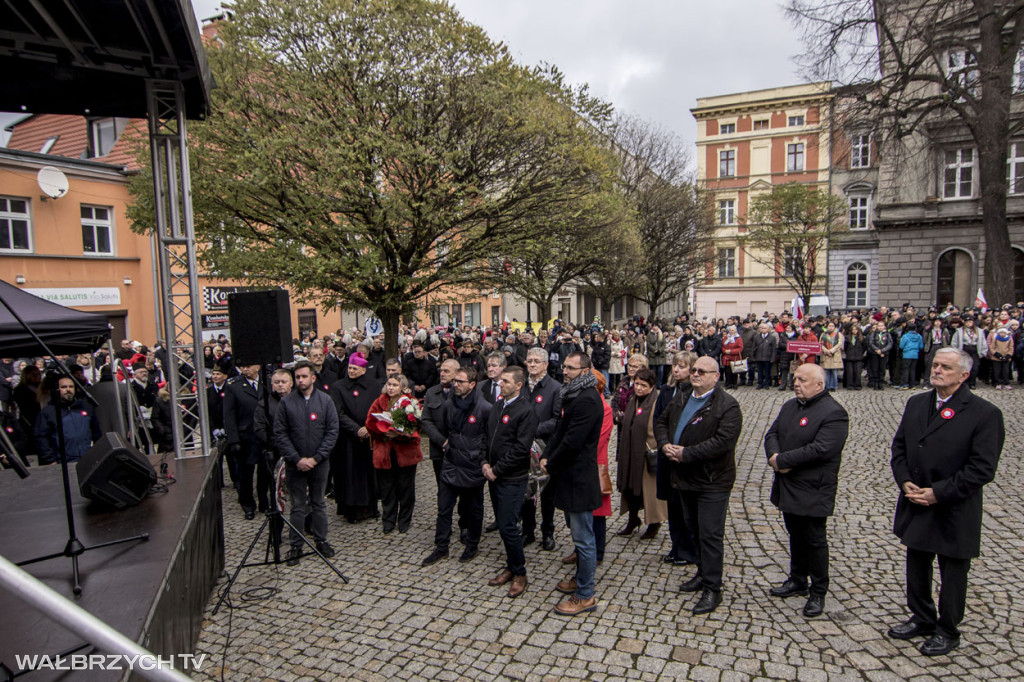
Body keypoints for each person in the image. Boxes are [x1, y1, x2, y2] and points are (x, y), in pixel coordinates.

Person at [888, 348, 1003, 656]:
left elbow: (982, 468)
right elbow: (899, 447)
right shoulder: (916, 403)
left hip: (954, 505)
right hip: (916, 498)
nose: (936, 370)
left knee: (952, 570)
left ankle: (948, 629)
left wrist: (938, 492)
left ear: (963, 375)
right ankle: (922, 617)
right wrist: (904, 480)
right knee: (917, 562)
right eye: (935, 364)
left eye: (946, 367)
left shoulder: (984, 413)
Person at [654, 356, 742, 615]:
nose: (695, 374)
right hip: (684, 477)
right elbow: (661, 422)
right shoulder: (682, 396)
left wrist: (687, 453)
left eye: (702, 371)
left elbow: (723, 442)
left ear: (716, 376)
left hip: (712, 480)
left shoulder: (727, 405)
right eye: (693, 370)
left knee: (710, 534)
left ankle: (713, 588)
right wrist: (664, 444)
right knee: (692, 529)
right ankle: (702, 573)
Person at [763, 363, 849, 618]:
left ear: (819, 385)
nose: (796, 383)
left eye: (802, 380)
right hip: (788, 483)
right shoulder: (790, 406)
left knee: (814, 539)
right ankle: (797, 578)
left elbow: (822, 448)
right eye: (795, 378)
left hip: (814, 487)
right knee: (795, 533)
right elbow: (772, 434)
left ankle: (818, 590)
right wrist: (774, 457)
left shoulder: (834, 412)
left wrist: (784, 460)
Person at [540, 352, 603, 616]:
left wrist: (551, 462)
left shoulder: (587, 399)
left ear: (585, 371)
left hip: (579, 478)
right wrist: (546, 455)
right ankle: (580, 579)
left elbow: (573, 440)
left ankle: (586, 595)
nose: (564, 371)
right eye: (564, 366)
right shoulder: (572, 394)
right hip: (568, 475)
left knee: (583, 538)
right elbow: (560, 430)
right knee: (578, 537)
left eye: (570, 368)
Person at [422, 367, 491, 566]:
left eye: (460, 382)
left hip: (472, 466)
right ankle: (441, 546)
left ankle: (472, 545)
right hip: (451, 463)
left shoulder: (484, 408)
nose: (456, 385)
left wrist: (480, 459)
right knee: (444, 508)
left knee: (474, 509)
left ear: (472, 384)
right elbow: (446, 429)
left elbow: (488, 438)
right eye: (455, 381)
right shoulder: (448, 405)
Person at [273, 360, 339, 566]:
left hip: (320, 463)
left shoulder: (325, 401)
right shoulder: (286, 403)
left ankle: (321, 540)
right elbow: (280, 433)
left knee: (318, 502)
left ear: (313, 378)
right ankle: (296, 545)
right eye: (298, 377)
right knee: (297, 505)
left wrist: (316, 458)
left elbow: (332, 431)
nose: (301, 380)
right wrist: (296, 459)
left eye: (304, 376)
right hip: (295, 464)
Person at [484, 366, 539, 598]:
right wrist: (484, 463)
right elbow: (488, 437)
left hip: (513, 478)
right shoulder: (498, 405)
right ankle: (510, 565)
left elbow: (520, 448)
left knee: (508, 525)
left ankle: (520, 573)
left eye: (506, 381)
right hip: (494, 476)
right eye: (501, 380)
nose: (501, 384)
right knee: (503, 523)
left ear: (518, 385)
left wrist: (497, 469)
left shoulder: (526, 411)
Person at [366, 375, 423, 534]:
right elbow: (369, 423)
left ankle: (404, 520)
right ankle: (388, 520)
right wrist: (384, 432)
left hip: (406, 453)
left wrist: (400, 433)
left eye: (394, 385)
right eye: (389, 384)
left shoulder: (410, 403)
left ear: (402, 387)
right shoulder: (379, 402)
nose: (390, 388)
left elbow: (418, 425)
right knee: (387, 489)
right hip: (385, 452)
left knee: (406, 489)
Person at [615, 368, 668, 539]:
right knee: (630, 488)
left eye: (643, 385)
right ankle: (633, 520)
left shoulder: (656, 402)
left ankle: (654, 523)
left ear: (652, 387)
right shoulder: (634, 400)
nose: (638, 388)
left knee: (648, 491)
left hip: (646, 455)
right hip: (630, 453)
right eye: (637, 384)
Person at [519, 347, 562, 550]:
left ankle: (548, 532)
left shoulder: (555, 388)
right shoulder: (521, 386)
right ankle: (528, 530)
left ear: (545, 364)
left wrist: (534, 430)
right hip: (523, 447)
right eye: (530, 361)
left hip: (545, 446)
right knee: (526, 490)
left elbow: (557, 419)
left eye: (537, 361)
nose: (532, 364)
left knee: (547, 493)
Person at [329, 352, 379, 522]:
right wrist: (356, 429)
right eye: (349, 368)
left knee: (367, 474)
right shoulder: (338, 387)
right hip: (346, 439)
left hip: (368, 437)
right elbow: (338, 412)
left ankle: (369, 508)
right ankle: (350, 510)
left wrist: (368, 427)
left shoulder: (373, 386)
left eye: (354, 368)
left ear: (363, 370)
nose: (350, 371)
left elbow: (377, 409)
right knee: (348, 474)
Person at [224, 363, 266, 519]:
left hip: (263, 436)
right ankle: (248, 505)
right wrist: (233, 439)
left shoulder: (266, 382)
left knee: (265, 473)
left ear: (258, 367)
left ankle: (264, 502)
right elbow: (229, 414)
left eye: (248, 366)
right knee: (245, 474)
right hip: (245, 436)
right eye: (242, 366)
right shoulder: (233, 386)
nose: (245, 369)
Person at [34, 375, 101, 464]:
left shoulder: (85, 407)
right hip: (62, 462)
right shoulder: (48, 412)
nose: (68, 390)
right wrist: (50, 459)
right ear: (56, 390)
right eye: (64, 387)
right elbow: (41, 438)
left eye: (71, 386)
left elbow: (96, 432)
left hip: (87, 459)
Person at [420, 359, 460, 484]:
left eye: (446, 371)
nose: (442, 374)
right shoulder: (431, 392)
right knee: (442, 487)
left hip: (460, 450)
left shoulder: (462, 392)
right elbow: (426, 420)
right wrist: (442, 442)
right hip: (438, 449)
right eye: (441, 370)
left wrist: (453, 442)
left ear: (456, 373)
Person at [867, 320, 893, 391]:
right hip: (875, 353)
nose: (880, 327)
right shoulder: (874, 334)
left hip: (884, 354)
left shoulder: (887, 334)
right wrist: (877, 350)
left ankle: (880, 382)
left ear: (884, 326)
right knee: (875, 368)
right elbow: (871, 343)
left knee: (882, 368)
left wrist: (882, 351)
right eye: (879, 326)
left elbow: (890, 344)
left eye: (882, 326)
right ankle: (875, 383)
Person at [818, 322, 844, 391]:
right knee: (826, 372)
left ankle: (833, 386)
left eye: (832, 326)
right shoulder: (823, 334)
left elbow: (839, 344)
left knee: (834, 372)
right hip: (825, 355)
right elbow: (820, 344)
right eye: (829, 326)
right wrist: (826, 351)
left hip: (835, 355)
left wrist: (831, 351)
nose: (831, 327)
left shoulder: (838, 334)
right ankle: (827, 386)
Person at [898, 324, 925, 389]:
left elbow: (901, 346)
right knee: (912, 370)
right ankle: (912, 384)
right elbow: (921, 346)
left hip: (907, 354)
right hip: (915, 355)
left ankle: (905, 384)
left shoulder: (905, 336)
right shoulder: (919, 336)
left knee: (906, 369)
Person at [752, 323, 777, 390]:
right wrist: (753, 356)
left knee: (767, 371)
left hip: (767, 357)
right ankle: (760, 383)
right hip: (759, 357)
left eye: (765, 328)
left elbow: (774, 349)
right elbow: (753, 347)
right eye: (762, 328)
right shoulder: (756, 337)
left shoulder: (772, 338)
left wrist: (773, 358)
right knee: (759, 371)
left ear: (768, 329)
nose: (763, 329)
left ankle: (767, 384)